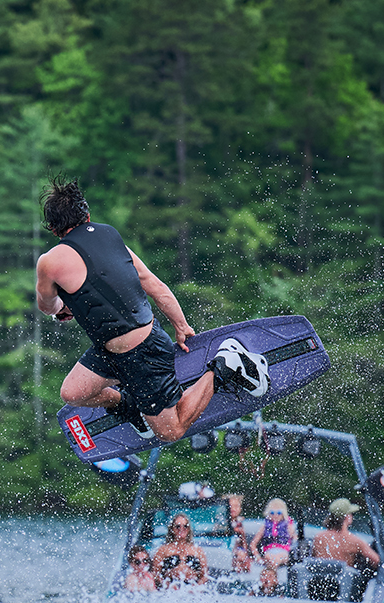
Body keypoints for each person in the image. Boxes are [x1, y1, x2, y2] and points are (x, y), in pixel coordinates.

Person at [34, 179, 268, 441]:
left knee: (171, 432)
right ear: (87, 215)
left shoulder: (49, 262)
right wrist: (180, 324)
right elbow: (154, 286)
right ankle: (129, 407)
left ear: (53, 230)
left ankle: (226, 366)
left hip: (144, 353)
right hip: (111, 351)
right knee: (73, 393)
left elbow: (47, 306)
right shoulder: (111, 236)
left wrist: (62, 308)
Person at [312, 497, 381, 597]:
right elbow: (377, 562)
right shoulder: (355, 541)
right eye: (351, 514)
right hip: (343, 591)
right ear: (347, 517)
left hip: (318, 589)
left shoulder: (319, 537)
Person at [151, 513, 208, 588]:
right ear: (172, 529)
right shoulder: (163, 550)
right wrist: (167, 585)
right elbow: (155, 574)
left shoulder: (198, 550)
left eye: (185, 526)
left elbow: (205, 576)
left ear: (188, 529)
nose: (182, 529)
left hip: (193, 588)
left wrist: (196, 587)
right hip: (170, 588)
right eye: (178, 526)